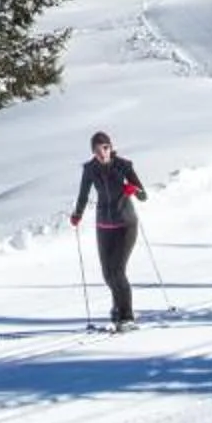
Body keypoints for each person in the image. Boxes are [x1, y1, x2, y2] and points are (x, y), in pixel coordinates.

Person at [70, 130, 147, 329]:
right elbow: (83, 195)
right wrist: (77, 214)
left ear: (111, 147)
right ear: (93, 152)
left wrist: (132, 189)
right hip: (104, 225)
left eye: (105, 148)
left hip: (125, 224)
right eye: (97, 150)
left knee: (118, 270)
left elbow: (142, 194)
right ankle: (116, 308)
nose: (102, 153)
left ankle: (127, 316)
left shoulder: (123, 166)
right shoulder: (89, 169)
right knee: (107, 273)